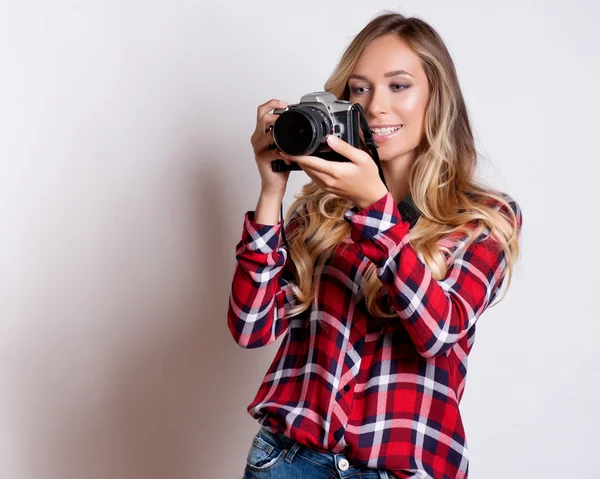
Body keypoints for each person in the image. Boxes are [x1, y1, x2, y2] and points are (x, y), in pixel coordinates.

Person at [227, 11, 523, 479]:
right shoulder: (321, 211)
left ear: (436, 99)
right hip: (289, 461)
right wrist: (271, 192)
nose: (375, 106)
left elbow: (438, 333)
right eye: (360, 89)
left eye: (398, 86)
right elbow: (251, 329)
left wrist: (375, 207)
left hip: (402, 469)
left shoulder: (483, 218)